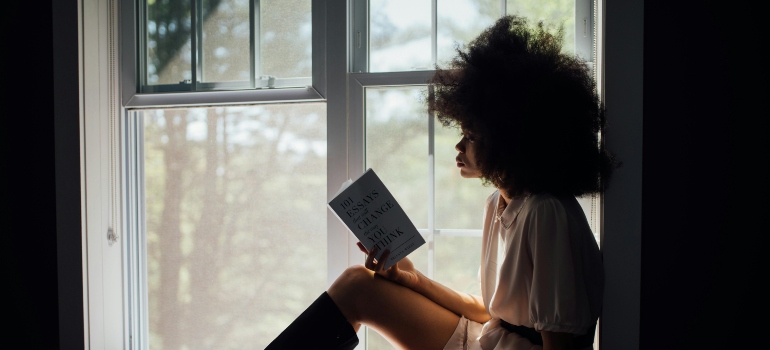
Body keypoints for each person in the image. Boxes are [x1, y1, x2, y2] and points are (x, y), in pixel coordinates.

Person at [266, 15, 616, 350]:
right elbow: (487, 311)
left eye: (471, 136)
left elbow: (561, 345)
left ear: (509, 141)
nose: (459, 146)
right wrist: (412, 280)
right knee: (357, 282)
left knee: (357, 287)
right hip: (489, 338)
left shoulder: (546, 212)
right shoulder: (500, 203)